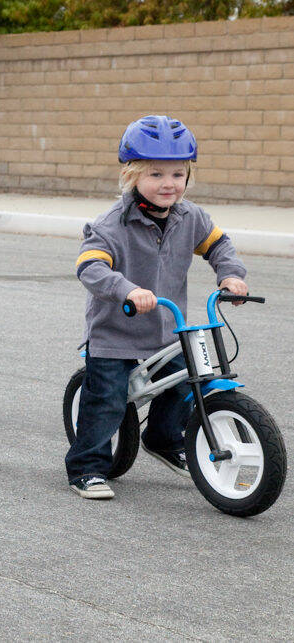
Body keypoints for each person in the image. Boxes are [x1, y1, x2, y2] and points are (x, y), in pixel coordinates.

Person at [68, 114, 248, 500]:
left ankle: (164, 440)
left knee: (188, 381)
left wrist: (230, 275)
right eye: (155, 175)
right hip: (115, 335)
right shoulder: (112, 224)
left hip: (166, 331)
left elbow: (218, 246)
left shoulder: (191, 217)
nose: (168, 184)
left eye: (178, 175)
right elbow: (89, 266)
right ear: (132, 176)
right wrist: (127, 289)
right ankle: (87, 467)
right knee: (106, 403)